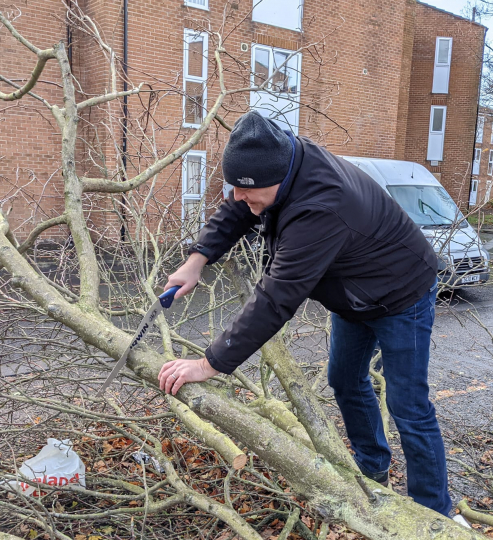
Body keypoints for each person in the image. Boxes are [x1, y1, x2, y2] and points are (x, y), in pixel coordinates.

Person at [157, 111, 452, 515]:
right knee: (345, 379)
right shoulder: (276, 167)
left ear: (275, 179)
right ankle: (372, 469)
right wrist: (197, 258)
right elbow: (239, 206)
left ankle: (435, 513)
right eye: (238, 189)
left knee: (408, 406)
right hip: (354, 294)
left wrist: (211, 363)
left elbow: (276, 298)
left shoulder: (322, 205)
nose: (241, 199)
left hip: (403, 293)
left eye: (249, 192)